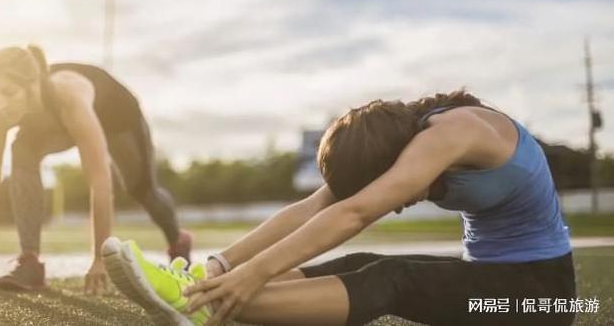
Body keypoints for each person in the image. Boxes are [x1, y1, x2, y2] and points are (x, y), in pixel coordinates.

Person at [103, 90, 576, 326]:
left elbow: (356, 213)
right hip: (493, 280)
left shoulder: (454, 134)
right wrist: (222, 263)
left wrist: (256, 274)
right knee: (359, 264)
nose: (398, 207)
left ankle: (206, 309)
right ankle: (204, 289)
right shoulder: (396, 137)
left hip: (540, 299)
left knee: (390, 279)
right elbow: (312, 208)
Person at [0, 45, 192, 294]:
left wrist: (99, 258)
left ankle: (178, 240)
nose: (1, 103)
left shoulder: (68, 97)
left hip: (116, 117)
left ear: (33, 84)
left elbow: (100, 181)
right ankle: (29, 261)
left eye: (8, 92)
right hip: (52, 125)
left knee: (141, 190)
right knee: (22, 151)